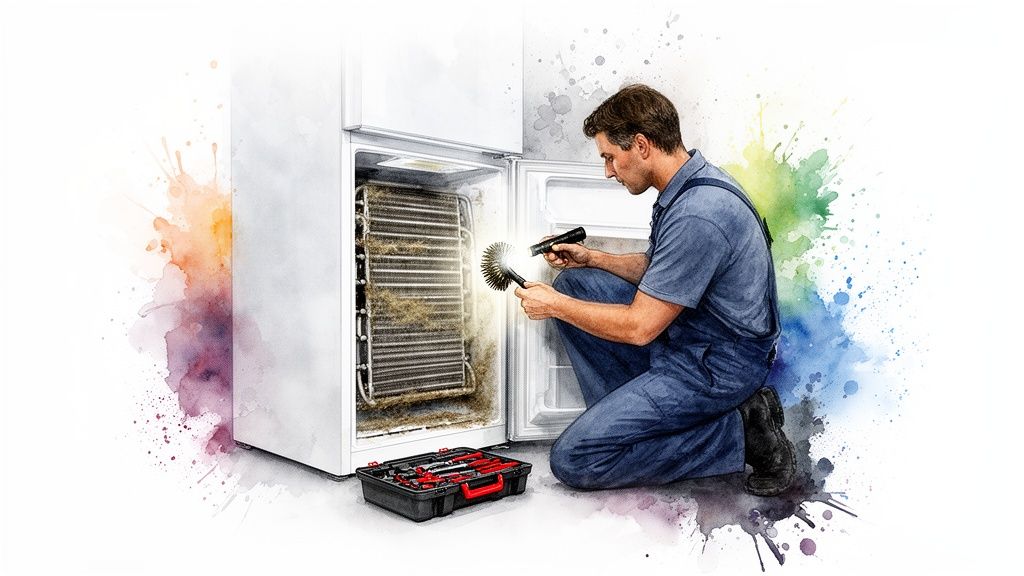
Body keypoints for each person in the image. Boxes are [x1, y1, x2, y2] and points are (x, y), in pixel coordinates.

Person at [513, 84, 796, 496]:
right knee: (577, 282)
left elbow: (640, 328)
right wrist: (593, 258)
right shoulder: (687, 186)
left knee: (574, 460)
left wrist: (555, 305)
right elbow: (663, 271)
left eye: (610, 157)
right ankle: (635, 424)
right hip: (695, 337)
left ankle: (742, 431)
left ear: (642, 145)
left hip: (717, 365)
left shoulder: (699, 213)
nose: (608, 170)